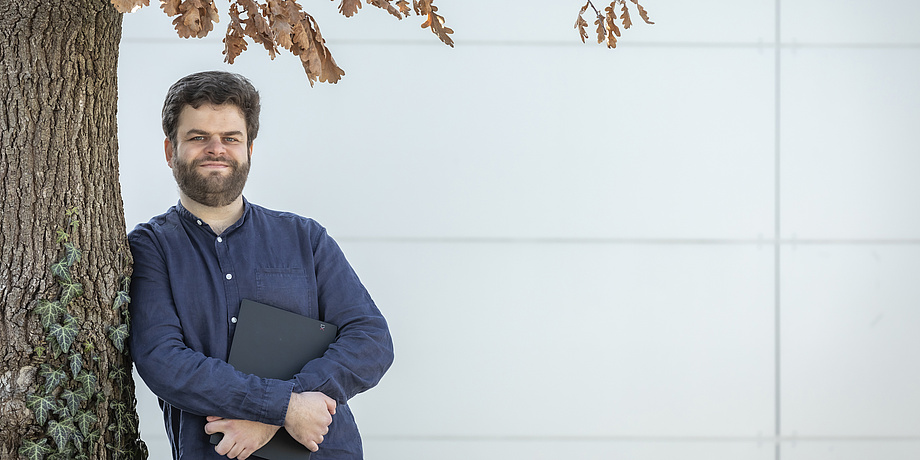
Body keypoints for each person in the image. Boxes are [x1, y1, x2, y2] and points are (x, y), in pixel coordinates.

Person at [128, 71, 394, 460]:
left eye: (230, 138)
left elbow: (370, 339)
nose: (215, 148)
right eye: (198, 137)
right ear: (171, 151)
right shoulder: (151, 247)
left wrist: (277, 411)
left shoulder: (305, 238)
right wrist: (284, 407)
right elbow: (163, 360)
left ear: (250, 148)